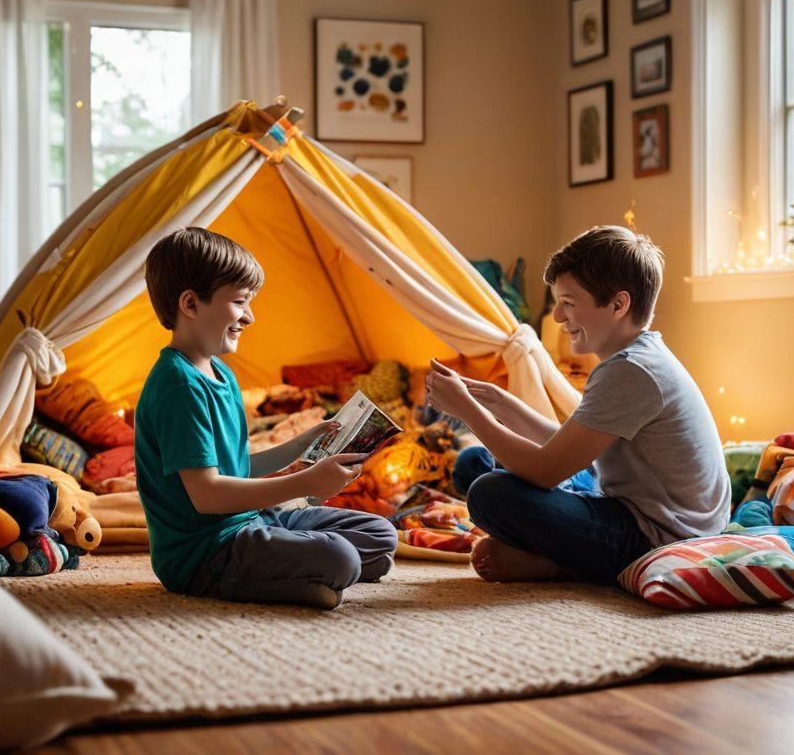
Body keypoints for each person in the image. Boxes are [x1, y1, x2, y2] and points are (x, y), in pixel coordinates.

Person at [426, 225, 729, 584]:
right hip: (628, 500)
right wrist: (500, 403)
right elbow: (570, 450)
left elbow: (546, 470)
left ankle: (559, 565)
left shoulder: (631, 371)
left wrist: (468, 411)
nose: (557, 316)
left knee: (489, 494)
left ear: (618, 305)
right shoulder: (635, 358)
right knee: (473, 464)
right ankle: (553, 552)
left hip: (658, 534)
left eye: (568, 303)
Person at [134, 227, 398, 610]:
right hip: (205, 551)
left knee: (379, 532)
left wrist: (304, 443)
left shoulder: (221, 374)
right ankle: (301, 579)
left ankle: (303, 574)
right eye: (240, 302)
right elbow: (207, 495)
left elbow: (239, 466)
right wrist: (304, 482)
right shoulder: (177, 385)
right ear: (190, 304)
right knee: (341, 557)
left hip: (250, 521)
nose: (250, 317)